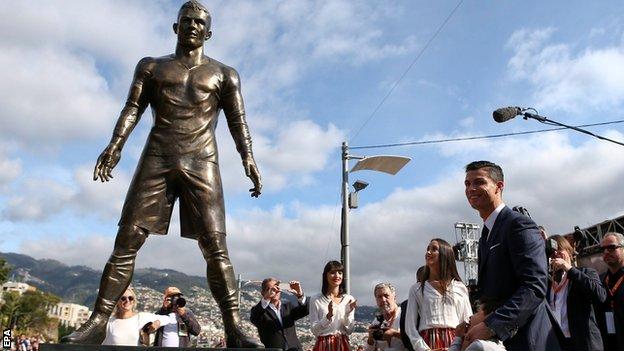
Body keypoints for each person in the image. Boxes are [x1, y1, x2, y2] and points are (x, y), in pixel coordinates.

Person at [61, 1, 262, 347]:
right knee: (127, 240)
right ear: (175, 27)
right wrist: (115, 144)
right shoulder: (152, 67)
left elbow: (237, 120)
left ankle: (233, 327)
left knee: (215, 246)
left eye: (200, 23)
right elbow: (133, 107)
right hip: (157, 156)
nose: (193, 26)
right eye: (187, 21)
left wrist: (249, 158)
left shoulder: (224, 74)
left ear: (209, 33)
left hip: (203, 160)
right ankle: (97, 321)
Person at [462, 160, 560, 351]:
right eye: (467, 184)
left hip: (529, 339)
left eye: (479, 182)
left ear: (499, 186)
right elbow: (496, 294)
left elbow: (534, 286)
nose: (471, 189)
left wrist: (492, 325)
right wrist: (476, 320)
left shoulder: (518, 224)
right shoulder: (485, 235)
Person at [404, 239, 472, 351]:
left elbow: (467, 322)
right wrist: (424, 349)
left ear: (445, 255)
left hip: (456, 342)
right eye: (428, 249)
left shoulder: (460, 287)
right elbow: (410, 327)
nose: (428, 252)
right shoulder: (416, 289)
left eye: (434, 249)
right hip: (427, 344)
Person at [546, 235, 606, 351]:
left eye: (559, 249)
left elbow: (600, 296)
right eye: (552, 253)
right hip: (560, 344)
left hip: (585, 343)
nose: (556, 254)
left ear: (569, 252)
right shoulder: (547, 284)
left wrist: (569, 269)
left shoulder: (585, 273)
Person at [102, 287, 176, 346]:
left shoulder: (141, 318)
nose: (127, 301)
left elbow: (168, 318)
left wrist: (158, 322)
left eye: (130, 298)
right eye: (123, 298)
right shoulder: (109, 322)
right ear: (117, 302)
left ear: (134, 301)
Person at [309, 261, 357, 351]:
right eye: (332, 273)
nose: (337, 276)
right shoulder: (315, 299)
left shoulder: (349, 299)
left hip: (343, 344)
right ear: (325, 276)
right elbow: (314, 330)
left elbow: (350, 330)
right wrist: (328, 317)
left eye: (340, 273)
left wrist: (347, 313)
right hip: (323, 345)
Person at [250, 278, 309, 351]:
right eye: (270, 289)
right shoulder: (260, 311)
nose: (274, 291)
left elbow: (305, 310)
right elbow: (254, 318)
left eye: (276, 288)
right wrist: (267, 298)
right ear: (263, 293)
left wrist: (300, 295)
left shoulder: (288, 307)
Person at [597, 232, 624, 350]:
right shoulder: (600, 280)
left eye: (612, 247)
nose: (606, 252)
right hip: (608, 343)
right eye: (603, 249)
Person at [365, 283, 406, 351]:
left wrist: (395, 334)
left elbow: (415, 339)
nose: (383, 300)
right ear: (376, 300)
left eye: (386, 296)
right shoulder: (377, 321)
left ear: (394, 297)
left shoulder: (404, 315)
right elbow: (369, 349)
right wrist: (370, 338)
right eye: (379, 297)